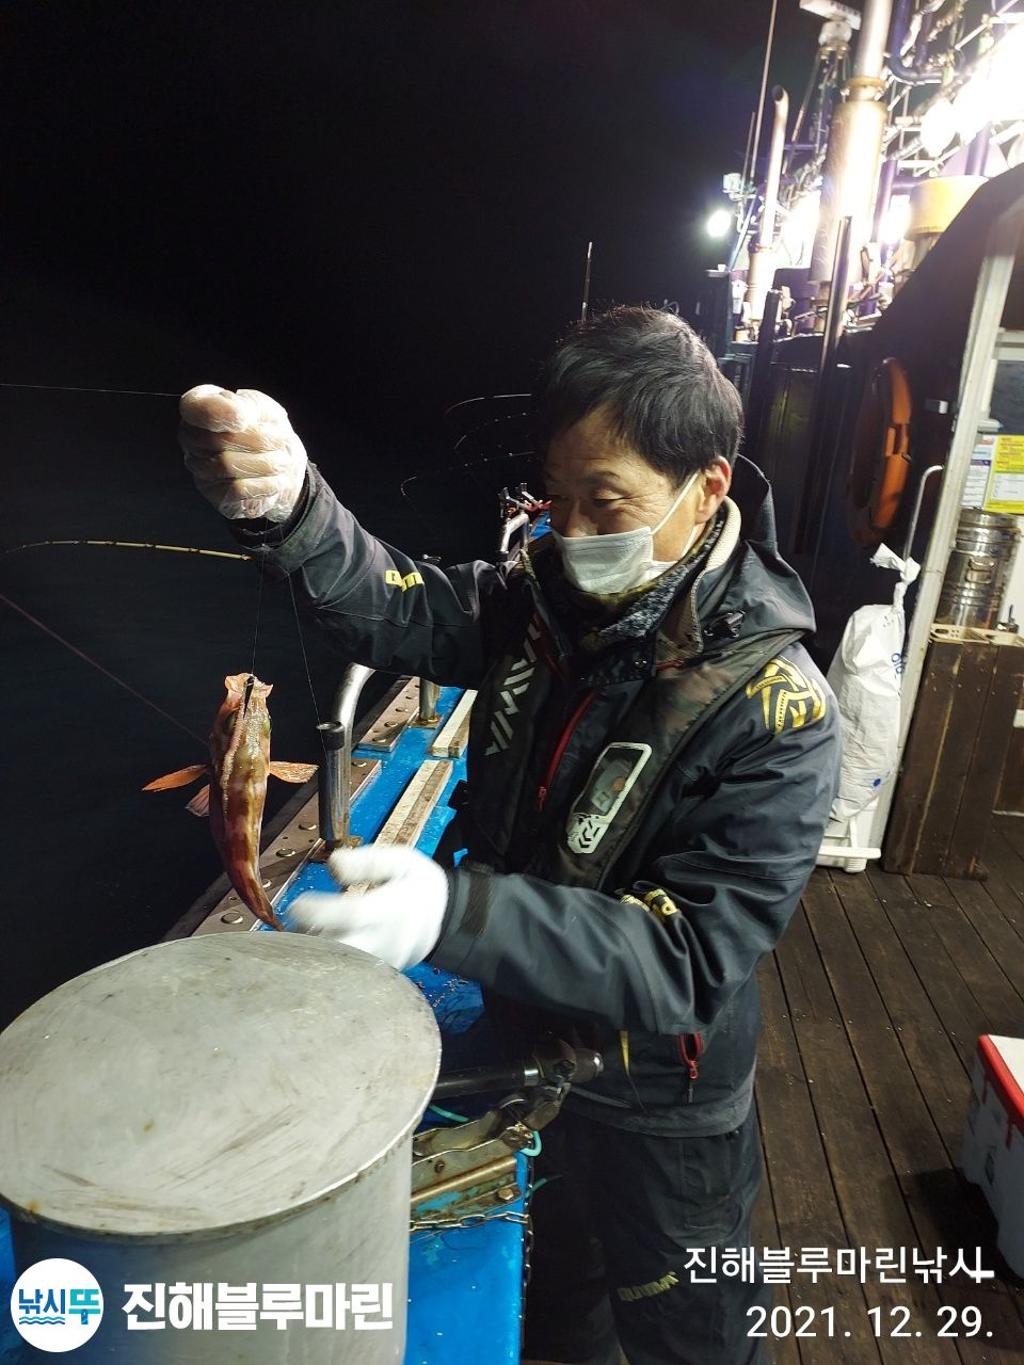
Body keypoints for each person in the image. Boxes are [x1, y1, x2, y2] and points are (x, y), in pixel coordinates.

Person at [179, 306, 841, 1365]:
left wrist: (454, 911)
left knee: (694, 1331)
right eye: (556, 497)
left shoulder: (781, 713)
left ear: (708, 486)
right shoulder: (543, 599)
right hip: (521, 1038)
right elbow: (403, 609)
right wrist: (291, 509)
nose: (571, 533)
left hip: (656, 1104)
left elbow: (684, 957)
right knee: (557, 1298)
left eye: (606, 501)